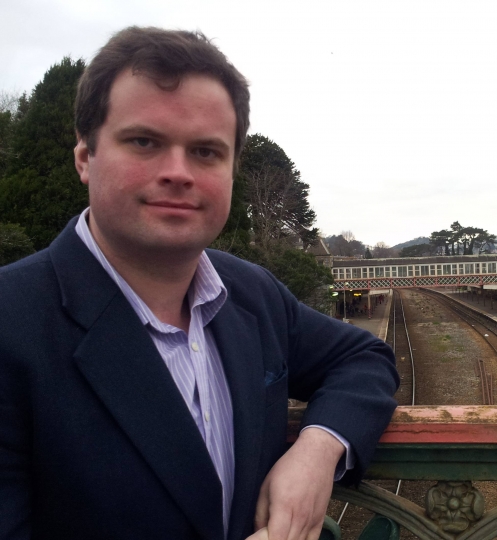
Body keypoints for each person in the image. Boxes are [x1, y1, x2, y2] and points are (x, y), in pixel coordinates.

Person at [0, 27, 399, 540]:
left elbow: (362, 358)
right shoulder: (12, 323)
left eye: (207, 152)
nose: (178, 172)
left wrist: (318, 449)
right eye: (144, 141)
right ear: (85, 156)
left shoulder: (250, 292)